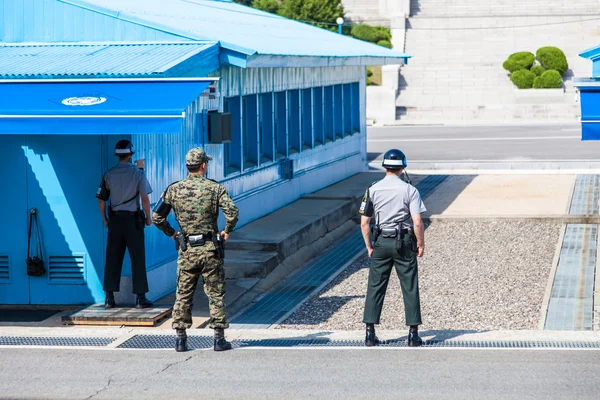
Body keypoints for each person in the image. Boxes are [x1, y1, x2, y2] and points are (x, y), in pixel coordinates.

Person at [152, 147, 239, 352]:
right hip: (210, 249)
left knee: (183, 293)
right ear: (203, 165)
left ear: (187, 166)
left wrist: (172, 233)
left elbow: (157, 217)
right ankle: (219, 339)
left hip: (187, 249)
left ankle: (181, 339)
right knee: (215, 293)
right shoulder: (215, 188)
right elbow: (232, 212)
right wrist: (227, 231)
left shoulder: (174, 189)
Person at [359, 149, 426, 347]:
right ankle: (413, 334)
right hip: (403, 241)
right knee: (410, 285)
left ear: (385, 166)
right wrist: (420, 243)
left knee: (375, 286)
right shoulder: (410, 190)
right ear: (403, 167)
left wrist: (369, 246)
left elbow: (364, 222)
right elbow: (417, 221)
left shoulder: (372, 189)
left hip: (380, 241)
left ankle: (370, 332)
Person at [96, 139, 154, 309]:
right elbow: (144, 198)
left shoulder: (109, 174)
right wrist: (149, 217)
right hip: (133, 221)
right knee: (137, 258)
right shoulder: (138, 174)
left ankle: (109, 298)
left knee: (112, 257)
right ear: (131, 155)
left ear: (117, 155)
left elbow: (101, 200)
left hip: (115, 221)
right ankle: (140, 298)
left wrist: (105, 219)